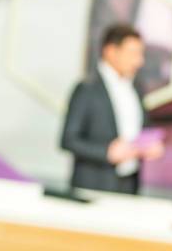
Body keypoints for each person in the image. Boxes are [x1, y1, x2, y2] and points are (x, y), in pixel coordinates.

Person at [60, 24, 163, 194]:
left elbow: (143, 125)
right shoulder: (87, 88)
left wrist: (149, 143)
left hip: (129, 183)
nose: (139, 61)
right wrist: (107, 152)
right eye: (133, 54)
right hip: (95, 186)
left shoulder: (136, 86)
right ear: (111, 51)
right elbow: (68, 140)